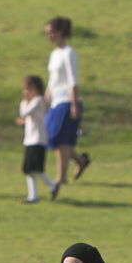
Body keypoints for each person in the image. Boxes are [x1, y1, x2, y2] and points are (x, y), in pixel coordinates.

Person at [43, 16, 90, 191]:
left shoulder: (69, 52)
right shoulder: (54, 54)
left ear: (61, 32)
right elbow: (52, 80)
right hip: (55, 101)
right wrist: (46, 98)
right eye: (47, 33)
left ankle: (61, 177)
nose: (49, 36)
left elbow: (72, 79)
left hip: (66, 100)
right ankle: (80, 161)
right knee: (53, 138)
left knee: (61, 140)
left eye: (51, 32)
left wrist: (74, 104)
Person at [16, 75, 59, 203]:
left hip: (38, 139)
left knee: (34, 168)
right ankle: (33, 195)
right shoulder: (33, 102)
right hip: (30, 139)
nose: (26, 92)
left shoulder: (38, 100)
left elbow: (24, 112)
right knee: (29, 170)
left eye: (28, 89)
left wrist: (24, 100)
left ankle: (52, 185)